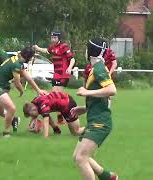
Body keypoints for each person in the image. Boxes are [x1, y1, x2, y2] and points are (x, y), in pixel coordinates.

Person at [71, 38, 118, 180]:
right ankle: (108, 177)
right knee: (78, 156)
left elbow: (112, 90)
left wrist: (86, 92)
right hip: (94, 120)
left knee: (81, 158)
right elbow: (102, 97)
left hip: (100, 123)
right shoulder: (93, 69)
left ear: (90, 52)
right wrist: (84, 108)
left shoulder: (98, 69)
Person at [0, 47, 46, 137]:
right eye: (32, 57)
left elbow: (26, 76)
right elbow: (17, 82)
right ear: (28, 57)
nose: (32, 59)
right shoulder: (17, 64)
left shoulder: (16, 59)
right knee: (11, 108)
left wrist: (38, 90)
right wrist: (21, 91)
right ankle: (6, 133)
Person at [33, 31, 76, 124]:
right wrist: (38, 48)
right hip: (56, 74)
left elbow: (72, 59)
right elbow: (47, 51)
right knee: (55, 96)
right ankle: (62, 117)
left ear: (58, 38)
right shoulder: (52, 47)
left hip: (63, 74)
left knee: (56, 95)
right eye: (52, 38)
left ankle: (63, 117)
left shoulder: (64, 46)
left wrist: (69, 68)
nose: (53, 39)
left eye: (55, 38)